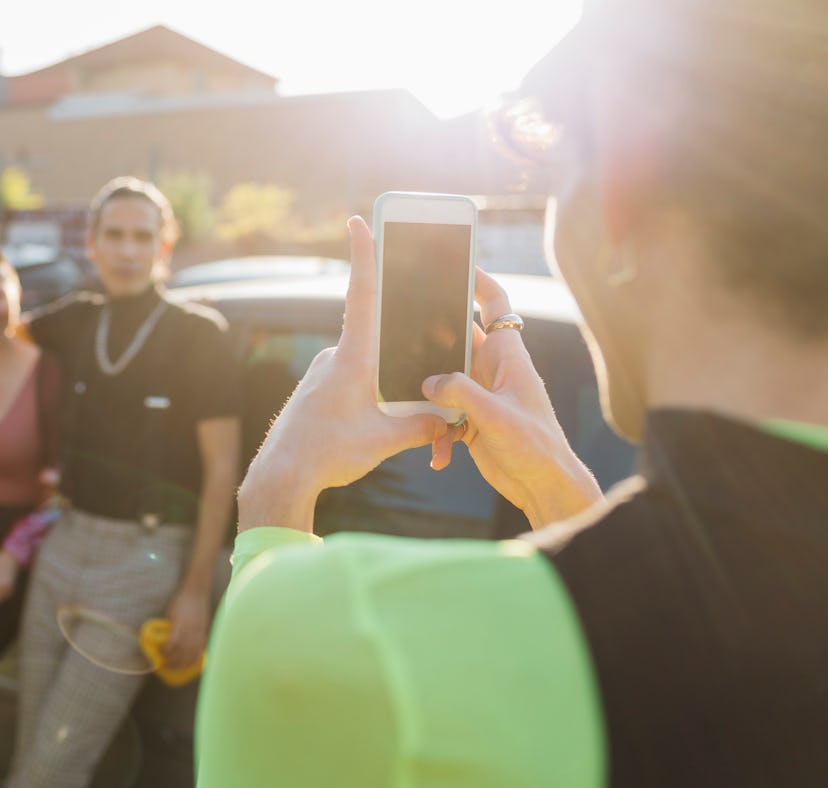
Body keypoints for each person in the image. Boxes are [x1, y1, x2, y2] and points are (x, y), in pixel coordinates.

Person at [196, 0, 828, 785]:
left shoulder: (356, 635)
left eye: (556, 181)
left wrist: (276, 494)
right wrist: (565, 496)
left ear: (624, 177)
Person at [8, 177, 241, 787]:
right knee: (26, 739)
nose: (128, 251)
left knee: (54, 765)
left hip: (144, 562)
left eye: (143, 237)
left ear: (165, 245)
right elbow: (10, 333)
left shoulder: (198, 334)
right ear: (91, 243)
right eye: (114, 235)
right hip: (63, 545)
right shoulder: (76, 319)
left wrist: (193, 591)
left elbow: (222, 469)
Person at [0, 258, 62, 656]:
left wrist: (13, 553)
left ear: (16, 294)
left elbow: (63, 489)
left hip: (15, 544)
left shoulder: (46, 372)